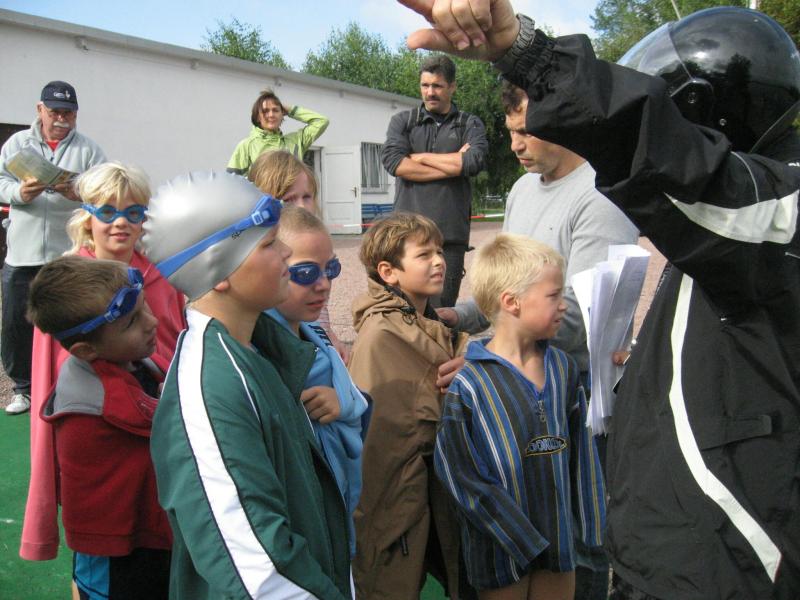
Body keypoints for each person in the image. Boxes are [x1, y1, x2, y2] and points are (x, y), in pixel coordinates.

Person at [396, 1, 800, 598]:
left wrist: (529, 54)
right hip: (684, 548)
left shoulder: (773, 213)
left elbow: (584, 303)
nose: (520, 143)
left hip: (722, 560)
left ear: (700, 116)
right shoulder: (736, 236)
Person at [142, 172, 352, 599]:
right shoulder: (210, 390)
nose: (286, 252)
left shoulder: (258, 350)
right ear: (220, 271)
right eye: (269, 243)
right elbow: (258, 571)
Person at [20, 161, 186, 562]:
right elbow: (48, 388)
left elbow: (177, 343)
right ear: (87, 217)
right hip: (100, 431)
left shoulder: (164, 275)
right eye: (108, 211)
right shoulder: (67, 289)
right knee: (102, 547)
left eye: (133, 212)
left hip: (161, 421)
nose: (121, 223)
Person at [435, 233, 605, 600]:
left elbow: (583, 454)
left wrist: (592, 527)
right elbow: (460, 474)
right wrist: (519, 536)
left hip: (559, 548)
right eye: (553, 296)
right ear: (512, 302)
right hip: (500, 553)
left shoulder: (563, 369)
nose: (564, 306)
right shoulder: (470, 385)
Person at [27, 255, 172, 599]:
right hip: (115, 547)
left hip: (139, 532)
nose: (152, 322)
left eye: (145, 307)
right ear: (86, 350)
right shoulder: (100, 397)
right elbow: (160, 423)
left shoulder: (124, 360)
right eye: (132, 321)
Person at [348, 212, 470, 599]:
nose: (439, 261)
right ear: (389, 272)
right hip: (398, 498)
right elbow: (383, 443)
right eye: (424, 254)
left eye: (440, 251)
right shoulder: (384, 334)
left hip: (431, 486)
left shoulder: (422, 320)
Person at [264, 205, 368, 556]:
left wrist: (342, 401)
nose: (323, 284)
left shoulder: (316, 336)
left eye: (331, 269)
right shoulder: (260, 347)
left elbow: (354, 400)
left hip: (339, 497)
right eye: (306, 273)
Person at [0, 80, 106, 414]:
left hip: (68, 253)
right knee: (15, 323)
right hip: (22, 251)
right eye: (55, 111)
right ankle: (23, 388)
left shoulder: (89, 149)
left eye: (68, 113)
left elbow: (103, 190)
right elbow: (1, 181)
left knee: (68, 321)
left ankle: (65, 385)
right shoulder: (17, 143)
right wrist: (19, 193)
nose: (61, 119)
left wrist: (79, 192)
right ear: (40, 110)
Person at [381, 55, 488, 307]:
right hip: (405, 237)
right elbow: (395, 163)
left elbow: (473, 161)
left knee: (441, 316)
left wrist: (420, 157)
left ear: (452, 86)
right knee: (401, 312)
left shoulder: (469, 123)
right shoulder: (403, 121)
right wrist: (454, 165)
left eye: (437, 86)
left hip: (448, 240)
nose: (430, 92)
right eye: (425, 85)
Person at [249, 149, 350, 362]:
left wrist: (329, 336)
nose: (302, 207)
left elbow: (319, 311)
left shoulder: (313, 245)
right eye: (288, 200)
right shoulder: (264, 261)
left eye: (307, 197)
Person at [227, 88, 329, 176]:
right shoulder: (246, 146)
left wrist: (290, 110)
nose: (271, 115)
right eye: (265, 111)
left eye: (275, 110)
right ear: (257, 117)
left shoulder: (296, 141)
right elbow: (232, 182)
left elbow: (321, 121)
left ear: (282, 114)